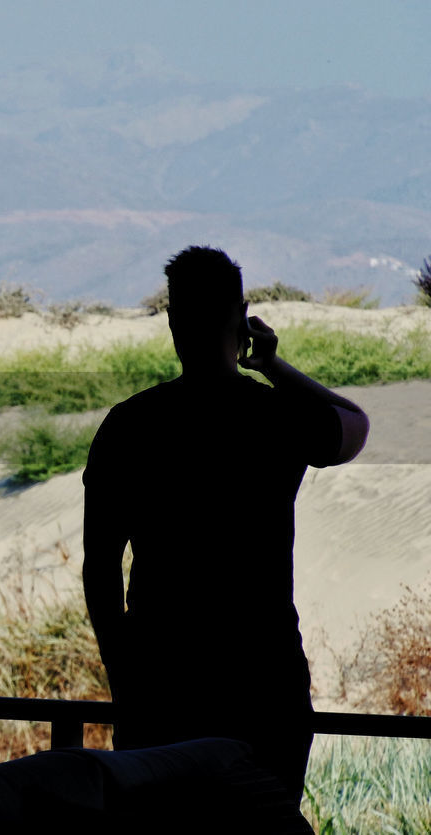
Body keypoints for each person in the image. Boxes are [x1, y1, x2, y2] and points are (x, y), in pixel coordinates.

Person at [81, 246, 369, 803]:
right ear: (242, 321)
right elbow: (354, 425)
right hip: (265, 680)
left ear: (172, 323)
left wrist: (125, 680)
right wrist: (271, 365)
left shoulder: (129, 424)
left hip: (163, 685)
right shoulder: (275, 417)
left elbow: (100, 568)